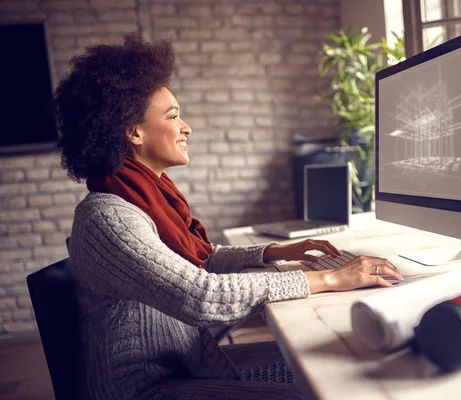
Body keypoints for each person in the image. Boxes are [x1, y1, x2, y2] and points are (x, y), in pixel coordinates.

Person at [56, 33, 402, 400]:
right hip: (148, 388)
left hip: (186, 361)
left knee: (326, 362)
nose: (186, 127)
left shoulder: (147, 196)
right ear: (132, 131)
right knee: (319, 387)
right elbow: (200, 294)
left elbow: (197, 260)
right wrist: (330, 278)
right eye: (173, 116)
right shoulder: (109, 217)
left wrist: (270, 253)